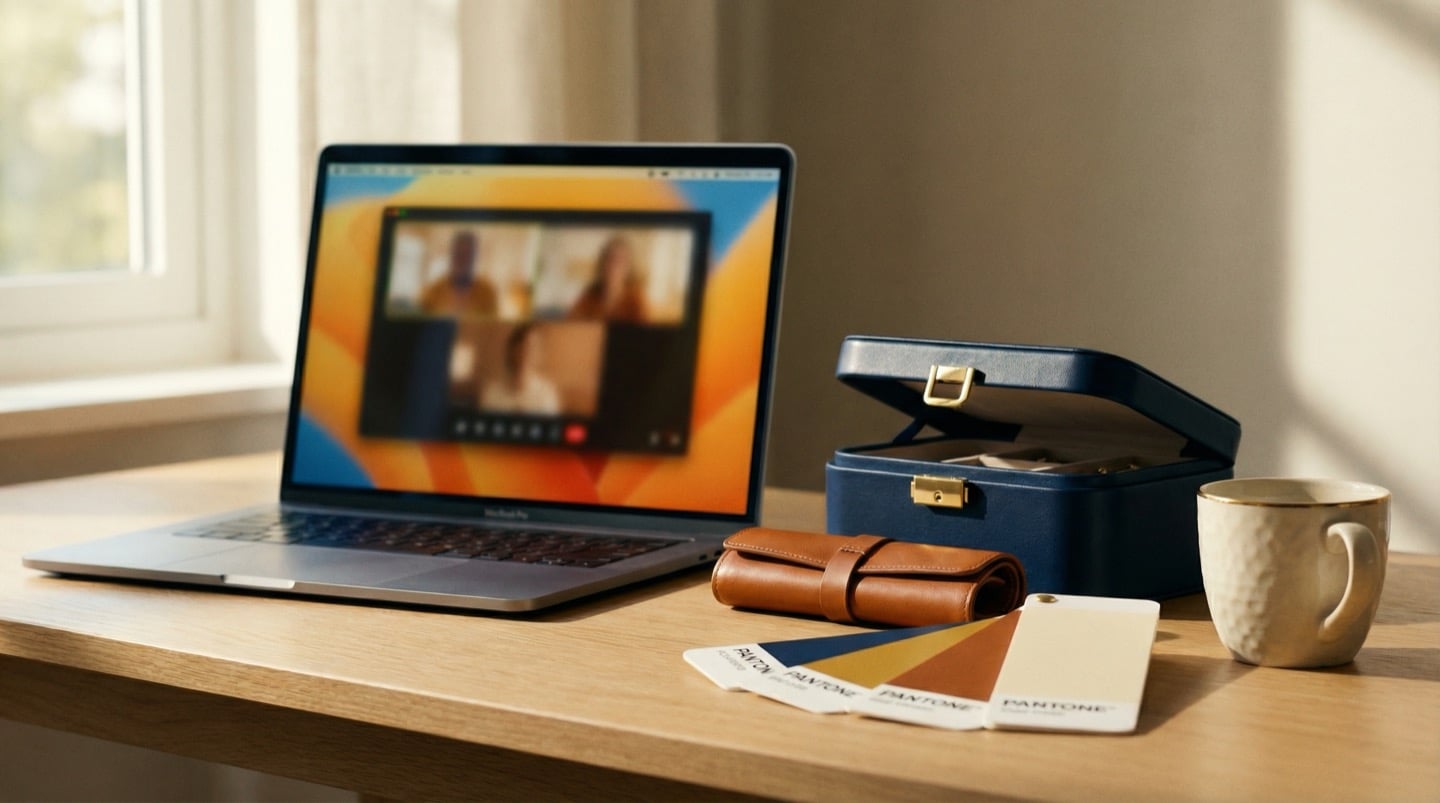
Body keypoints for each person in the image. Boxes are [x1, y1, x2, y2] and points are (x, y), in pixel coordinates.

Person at [479, 323, 561, 416]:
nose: (526, 352)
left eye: (533, 346)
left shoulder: (547, 393)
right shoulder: (492, 391)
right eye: (522, 346)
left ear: (539, 354)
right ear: (512, 351)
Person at [567, 235, 649, 323]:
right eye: (610, 258)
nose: (614, 265)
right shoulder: (588, 297)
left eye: (621, 260)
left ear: (629, 268)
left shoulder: (637, 301)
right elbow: (571, 324)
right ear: (602, 264)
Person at [419, 230, 498, 317]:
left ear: (474, 258)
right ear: (451, 256)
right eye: (459, 254)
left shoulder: (487, 293)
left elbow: (492, 326)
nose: (462, 261)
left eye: (467, 255)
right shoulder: (433, 291)